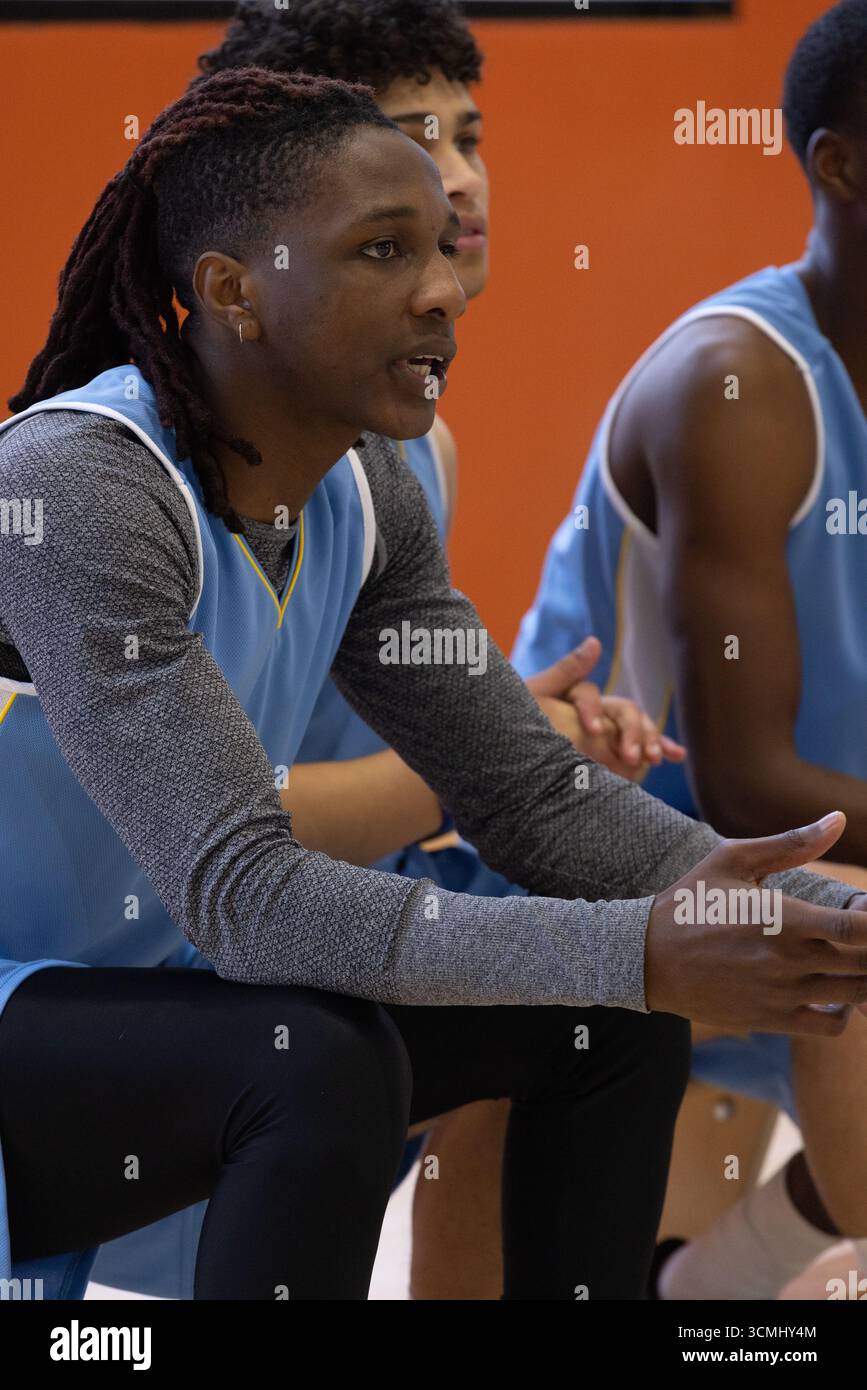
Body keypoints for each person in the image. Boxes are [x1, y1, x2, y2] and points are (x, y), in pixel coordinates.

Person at [1, 60, 864, 1306]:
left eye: (445, 249)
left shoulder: (365, 486)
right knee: (323, 1055)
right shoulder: (84, 485)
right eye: (382, 250)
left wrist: (801, 912)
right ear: (233, 292)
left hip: (178, 1006)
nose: (445, 291)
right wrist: (639, 948)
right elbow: (250, 896)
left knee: (606, 1022)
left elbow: (537, 798)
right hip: (38, 1020)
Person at [90, 0, 686, 1301]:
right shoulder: (104, 474)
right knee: (354, 1037)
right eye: (412, 145)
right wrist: (491, 776)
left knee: (597, 1004)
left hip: (263, 947)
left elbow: (484, 784)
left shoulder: (395, 456)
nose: (459, 178)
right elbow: (226, 854)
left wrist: (542, 757)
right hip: (113, 968)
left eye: (465, 138)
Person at [512, 0, 867, 1300]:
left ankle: (697, 1287)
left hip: (811, 859)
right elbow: (748, 788)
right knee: (844, 926)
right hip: (595, 862)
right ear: (838, 164)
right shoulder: (735, 387)